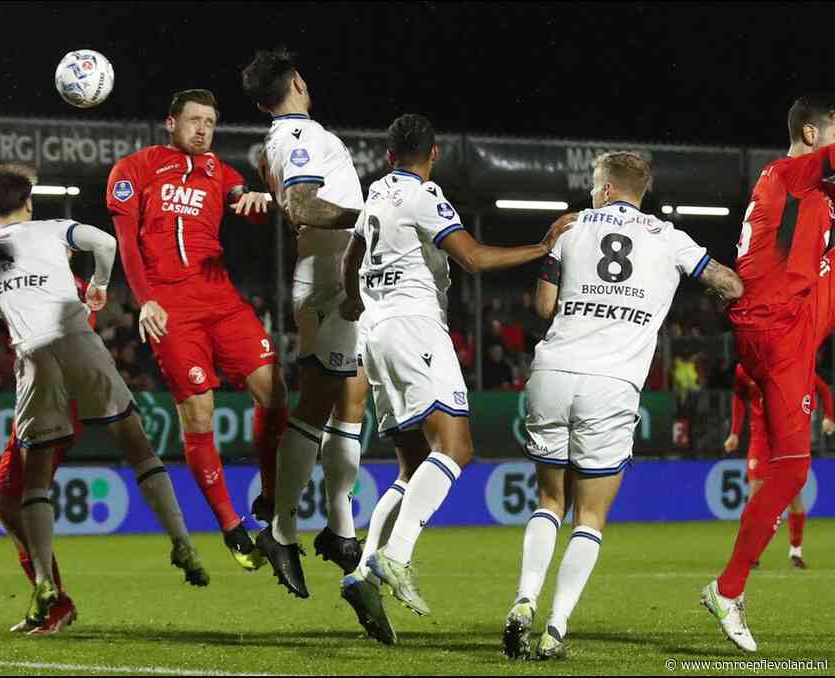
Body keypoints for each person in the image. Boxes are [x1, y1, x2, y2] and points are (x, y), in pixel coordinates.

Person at [0, 164, 206, 633]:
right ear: (30, 201)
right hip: (78, 339)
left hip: (35, 358)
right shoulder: (51, 229)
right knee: (136, 446)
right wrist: (102, 284)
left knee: (30, 488)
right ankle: (181, 539)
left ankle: (48, 589)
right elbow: (105, 243)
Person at [336, 113, 576, 645]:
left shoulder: (376, 193)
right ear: (434, 153)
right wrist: (542, 247)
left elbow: (352, 253)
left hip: (375, 335)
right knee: (458, 447)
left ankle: (362, 571)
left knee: (413, 465)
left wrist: (354, 297)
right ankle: (395, 558)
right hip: (415, 326)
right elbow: (471, 258)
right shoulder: (424, 195)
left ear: (389, 151)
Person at [502, 151, 742, 660]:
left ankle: (523, 602)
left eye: (594, 185)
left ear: (608, 188)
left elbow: (543, 308)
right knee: (590, 516)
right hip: (611, 384)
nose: (591, 194)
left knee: (549, 502)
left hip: (552, 372)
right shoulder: (671, 238)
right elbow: (727, 282)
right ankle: (555, 630)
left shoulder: (569, 228)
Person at [106, 89, 291, 571]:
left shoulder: (219, 171)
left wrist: (249, 196)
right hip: (171, 307)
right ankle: (230, 525)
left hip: (222, 300)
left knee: (274, 391)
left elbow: (236, 193)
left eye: (210, 121)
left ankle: (268, 496)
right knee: (200, 413)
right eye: (194, 120)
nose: (204, 129)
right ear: (171, 122)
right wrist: (145, 299)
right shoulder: (134, 169)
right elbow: (126, 243)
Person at [707, 95, 835, 653]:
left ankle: (731, 585)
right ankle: (728, 588)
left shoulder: (805, 191)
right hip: (779, 322)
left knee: (788, 471)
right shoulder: (794, 172)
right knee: (790, 471)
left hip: (782, 319)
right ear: (811, 134)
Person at [242, 47, 370, 598]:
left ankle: (339, 529)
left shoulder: (289, 137)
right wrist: (368, 217)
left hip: (336, 272)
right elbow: (300, 204)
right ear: (296, 80)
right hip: (327, 275)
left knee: (351, 402)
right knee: (317, 407)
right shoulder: (298, 136)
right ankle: (283, 529)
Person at [724, 363, 833, 569]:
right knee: (755, 497)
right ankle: (750, 553)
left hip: (787, 440)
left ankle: (795, 551)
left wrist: (829, 417)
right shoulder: (744, 368)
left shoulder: (791, 362)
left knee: (793, 497)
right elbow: (739, 397)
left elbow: (824, 390)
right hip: (760, 439)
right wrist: (734, 433)